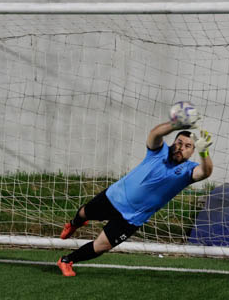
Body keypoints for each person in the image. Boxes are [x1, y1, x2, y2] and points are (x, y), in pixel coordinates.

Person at [56, 117, 213, 277]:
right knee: (84, 213)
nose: (181, 148)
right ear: (173, 142)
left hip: (133, 218)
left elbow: (206, 172)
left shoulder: (188, 171)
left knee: (102, 246)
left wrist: (205, 152)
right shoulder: (159, 152)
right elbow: (155, 134)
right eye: (179, 143)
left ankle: (66, 260)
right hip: (114, 197)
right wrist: (175, 124)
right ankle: (74, 224)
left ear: (193, 151)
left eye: (187, 146)